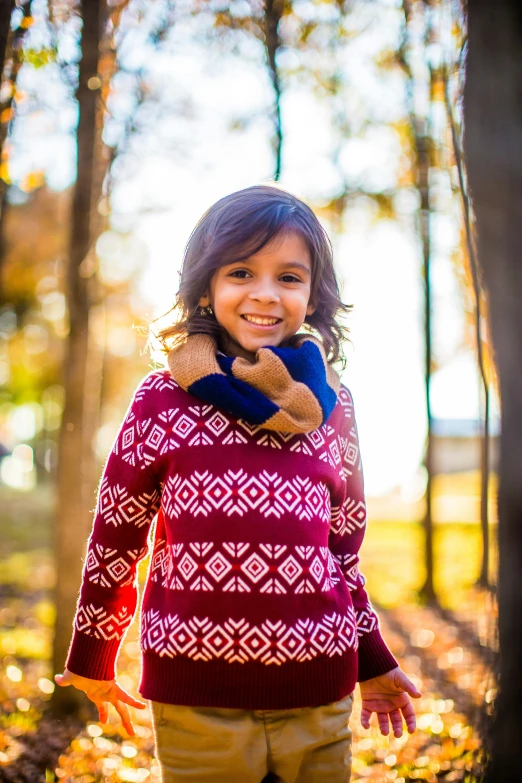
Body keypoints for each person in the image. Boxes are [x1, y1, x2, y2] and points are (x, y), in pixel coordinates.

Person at [55, 184, 422, 783]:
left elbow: (342, 557)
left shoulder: (335, 407)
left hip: (319, 692)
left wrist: (372, 661)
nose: (265, 293)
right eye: (241, 271)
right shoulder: (162, 399)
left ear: (313, 294)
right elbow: (116, 535)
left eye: (290, 277)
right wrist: (94, 655)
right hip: (196, 696)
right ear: (206, 286)